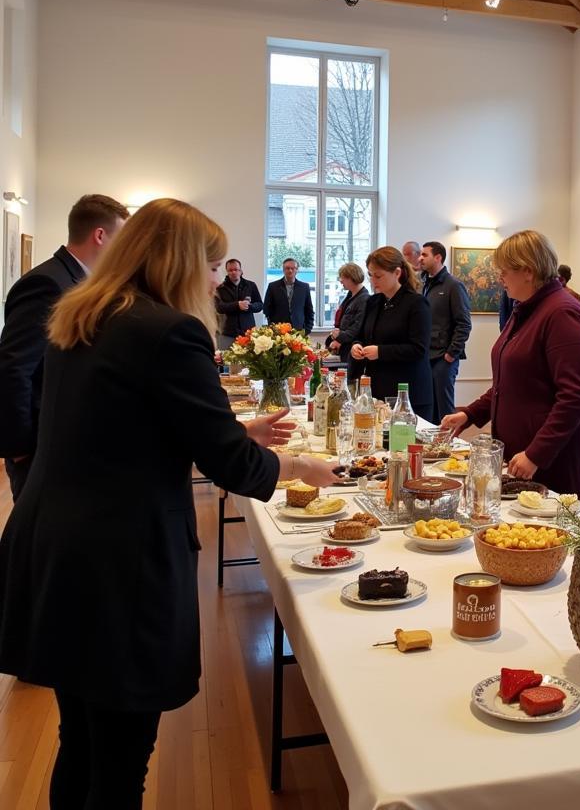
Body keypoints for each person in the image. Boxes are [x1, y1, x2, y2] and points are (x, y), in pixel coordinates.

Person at [0, 198, 337, 809]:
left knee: (79, 737)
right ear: (180, 263)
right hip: (118, 562)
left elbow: (123, 431)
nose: (218, 279)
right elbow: (228, 466)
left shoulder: (86, 314)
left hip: (57, 546)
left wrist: (238, 434)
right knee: (123, 758)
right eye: (212, 266)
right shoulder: (168, 330)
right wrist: (299, 468)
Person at [442, 230, 580, 506]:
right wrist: (469, 414)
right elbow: (513, 382)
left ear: (528, 271)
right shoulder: (528, 310)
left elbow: (575, 396)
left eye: (504, 271)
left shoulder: (561, 314)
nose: (499, 278)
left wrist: (536, 453)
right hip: (533, 457)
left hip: (560, 461)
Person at [0, 193, 128, 502]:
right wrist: (20, 449)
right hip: (41, 446)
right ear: (100, 235)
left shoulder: (78, 281)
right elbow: (13, 367)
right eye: (121, 239)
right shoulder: (48, 284)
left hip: (69, 440)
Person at [349, 246, 433, 419]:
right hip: (379, 388)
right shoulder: (374, 302)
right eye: (371, 275)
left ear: (397, 273)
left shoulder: (416, 304)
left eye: (378, 276)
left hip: (409, 392)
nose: (373, 281)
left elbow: (418, 349)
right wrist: (356, 346)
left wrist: (380, 351)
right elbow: (362, 336)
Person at [420, 241, 472, 422]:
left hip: (444, 358)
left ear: (438, 257)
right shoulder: (425, 284)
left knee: (445, 410)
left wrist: (451, 354)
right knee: (429, 405)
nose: (420, 258)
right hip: (427, 355)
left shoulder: (453, 285)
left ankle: (449, 448)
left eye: (424, 255)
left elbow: (464, 324)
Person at [214, 258, 263, 349]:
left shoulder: (251, 285)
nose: (233, 272)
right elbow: (219, 308)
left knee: (248, 362)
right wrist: (237, 305)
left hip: (248, 332)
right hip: (227, 332)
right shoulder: (220, 288)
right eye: (230, 270)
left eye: (236, 269)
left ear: (241, 271)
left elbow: (260, 305)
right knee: (226, 361)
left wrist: (249, 306)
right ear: (227, 272)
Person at [327, 262, 369, 362]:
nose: (341, 281)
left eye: (343, 278)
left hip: (353, 349)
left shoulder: (363, 299)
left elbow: (357, 328)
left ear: (352, 277)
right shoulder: (351, 296)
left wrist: (339, 336)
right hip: (345, 347)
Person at [263, 257, 314, 333]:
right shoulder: (273, 286)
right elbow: (266, 308)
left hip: (299, 330)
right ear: (283, 270)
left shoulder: (304, 287)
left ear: (297, 270)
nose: (290, 270)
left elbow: (309, 310)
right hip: (278, 329)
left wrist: (307, 329)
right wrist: (272, 326)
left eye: (293, 268)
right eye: (287, 268)